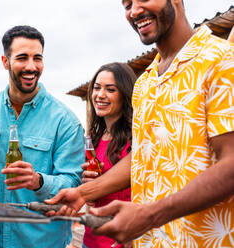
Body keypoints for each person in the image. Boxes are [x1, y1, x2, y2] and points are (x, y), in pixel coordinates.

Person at [46, 0, 234, 247]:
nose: (134, 11)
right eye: (127, 4)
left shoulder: (222, 60)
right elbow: (143, 157)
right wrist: (83, 193)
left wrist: (149, 216)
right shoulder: (144, 83)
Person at [0, 25, 85, 248]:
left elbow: (73, 181)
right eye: (22, 58)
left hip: (42, 242)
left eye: (37, 58)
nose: (31, 66)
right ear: (5, 62)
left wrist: (38, 181)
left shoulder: (65, 121)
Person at [82, 63, 135, 248]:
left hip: (121, 240)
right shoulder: (94, 140)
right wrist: (87, 188)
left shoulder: (137, 137)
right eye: (97, 88)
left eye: (110, 89)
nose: (100, 95)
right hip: (90, 239)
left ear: (125, 94)